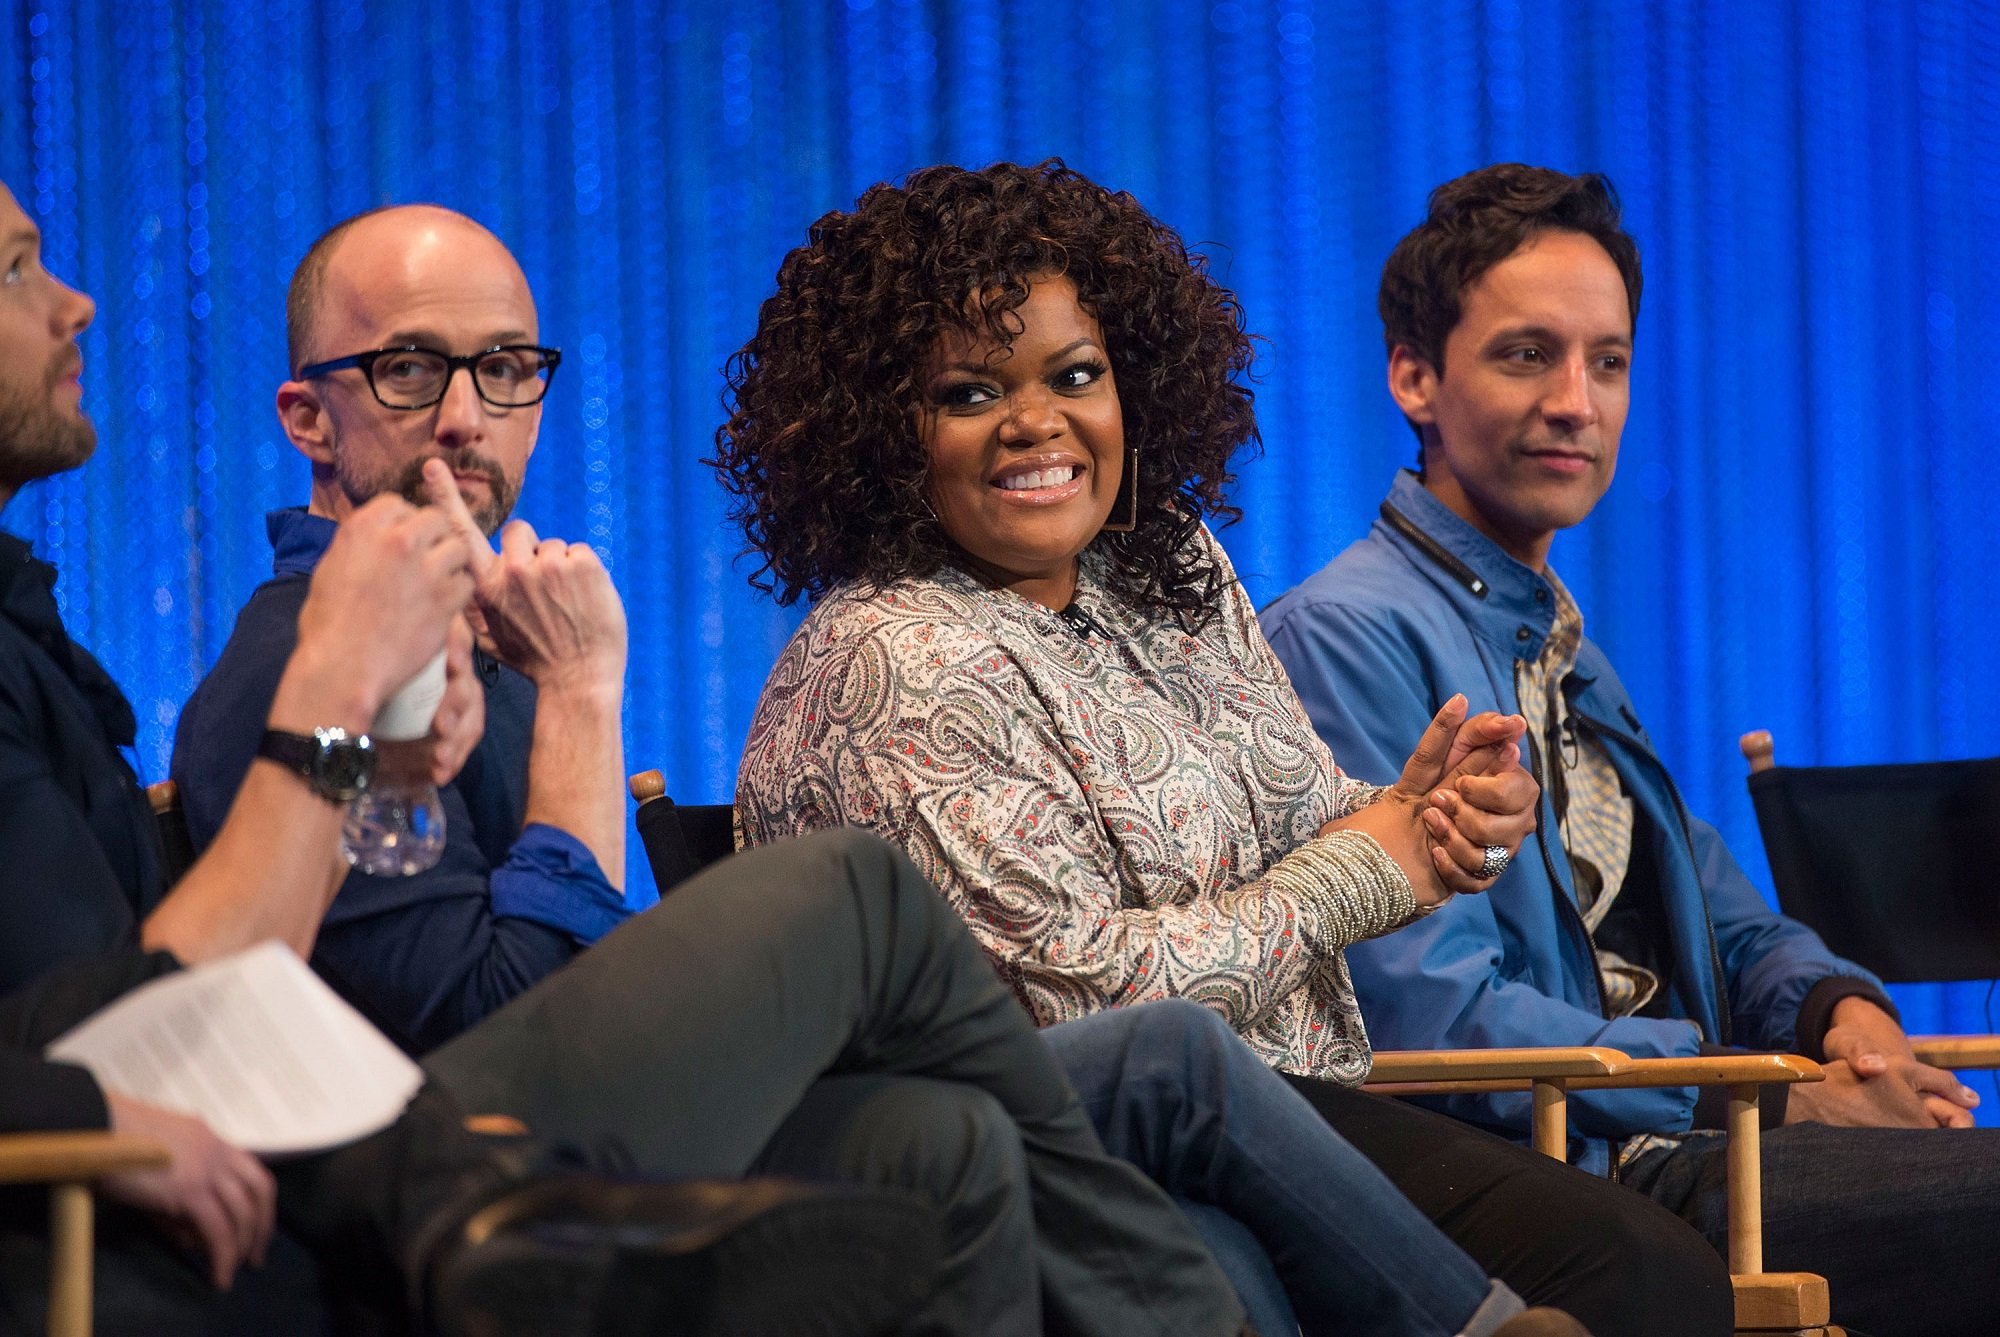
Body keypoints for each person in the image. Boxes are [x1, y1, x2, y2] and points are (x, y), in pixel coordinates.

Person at [0, 179, 1253, 1336]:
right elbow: (490, 1013)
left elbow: (160, 987)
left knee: (942, 1135)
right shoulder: (299, 662)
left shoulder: (441, 655)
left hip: (332, 1134)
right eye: (403, 370)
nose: (460, 415)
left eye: (502, 369)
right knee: (859, 894)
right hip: (375, 1169)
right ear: (307, 418)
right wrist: (577, 698)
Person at [721, 158, 1728, 1336]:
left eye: (1076, 374)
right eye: (968, 392)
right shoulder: (887, 655)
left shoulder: (1168, 575)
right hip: (1039, 1167)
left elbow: (1314, 819)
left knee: (1645, 1269)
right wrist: (1367, 864)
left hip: (1287, 1115)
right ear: (877, 433)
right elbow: (1080, 1009)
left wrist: (1435, 820)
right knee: (1237, 1279)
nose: (1036, 422)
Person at [1258, 161, 2000, 1337]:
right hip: (1578, 1173)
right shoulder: (1348, 632)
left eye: (1606, 361)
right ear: (1413, 376)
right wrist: (1757, 1095)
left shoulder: (1559, 643)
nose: (1577, 401)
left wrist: (1836, 1018)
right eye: (1525, 354)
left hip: (1686, 1128)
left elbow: (1732, 921)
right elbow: (1426, 1018)